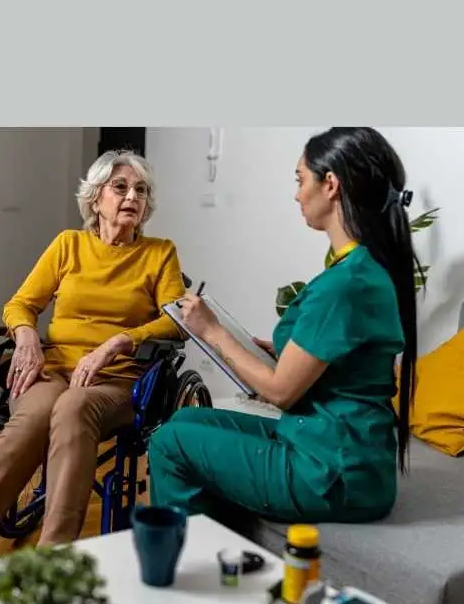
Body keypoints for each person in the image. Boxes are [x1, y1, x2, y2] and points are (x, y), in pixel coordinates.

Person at [0, 150, 186, 603]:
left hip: (117, 382)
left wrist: (118, 342)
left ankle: (52, 564)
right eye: (121, 187)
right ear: (96, 198)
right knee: (32, 417)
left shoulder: (159, 254)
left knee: (73, 406)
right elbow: (20, 303)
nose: (132, 197)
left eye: (141, 190)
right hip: (54, 368)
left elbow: (173, 320)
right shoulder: (68, 244)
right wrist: (27, 336)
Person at [147, 127, 421, 528]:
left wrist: (214, 333)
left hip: (333, 471)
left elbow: (279, 392)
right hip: (334, 449)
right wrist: (284, 356)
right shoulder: (360, 269)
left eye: (300, 179)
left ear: (330, 184)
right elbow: (347, 363)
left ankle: (191, 565)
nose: (296, 193)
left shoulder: (346, 283)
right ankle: (224, 550)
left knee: (168, 443)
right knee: (186, 421)